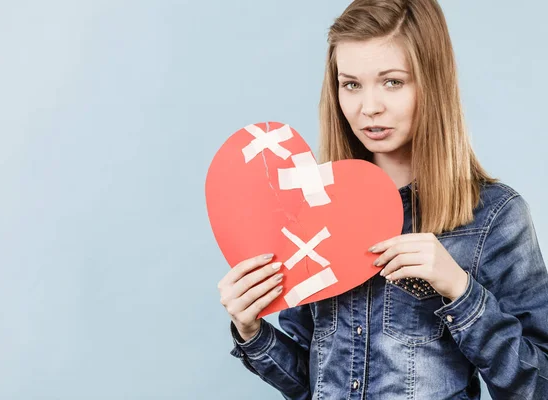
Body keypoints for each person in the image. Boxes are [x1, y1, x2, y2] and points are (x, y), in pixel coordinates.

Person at [217, 0, 548, 399]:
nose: (369, 107)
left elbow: (538, 385)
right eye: (351, 84)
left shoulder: (494, 216)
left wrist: (461, 292)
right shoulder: (311, 210)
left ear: (432, 81)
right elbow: (312, 382)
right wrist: (251, 331)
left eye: (393, 81)